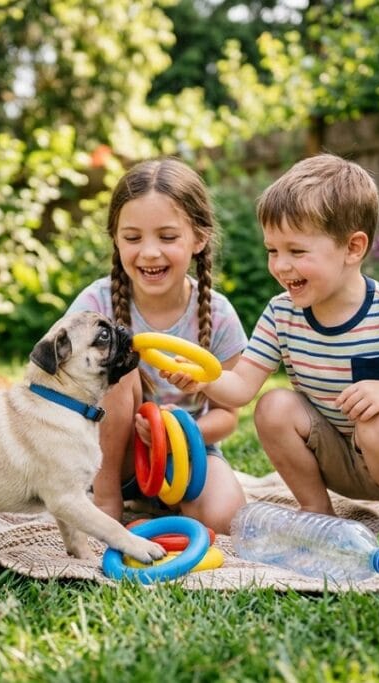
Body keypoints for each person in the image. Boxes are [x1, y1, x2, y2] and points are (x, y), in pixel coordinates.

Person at [164, 154, 379, 530]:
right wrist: (204, 378)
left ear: (353, 248)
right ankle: (317, 511)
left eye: (297, 251)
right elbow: (242, 387)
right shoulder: (282, 314)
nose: (280, 265)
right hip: (338, 453)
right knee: (273, 406)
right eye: (273, 251)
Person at [67, 157, 248, 533]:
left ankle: (165, 501)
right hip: (108, 456)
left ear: (198, 239)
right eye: (133, 238)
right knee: (117, 363)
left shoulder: (218, 314)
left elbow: (228, 415)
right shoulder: (95, 305)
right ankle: (107, 500)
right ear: (116, 239)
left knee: (226, 518)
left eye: (167, 237)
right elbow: (62, 383)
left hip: (185, 453)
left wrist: (178, 434)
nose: (149, 252)